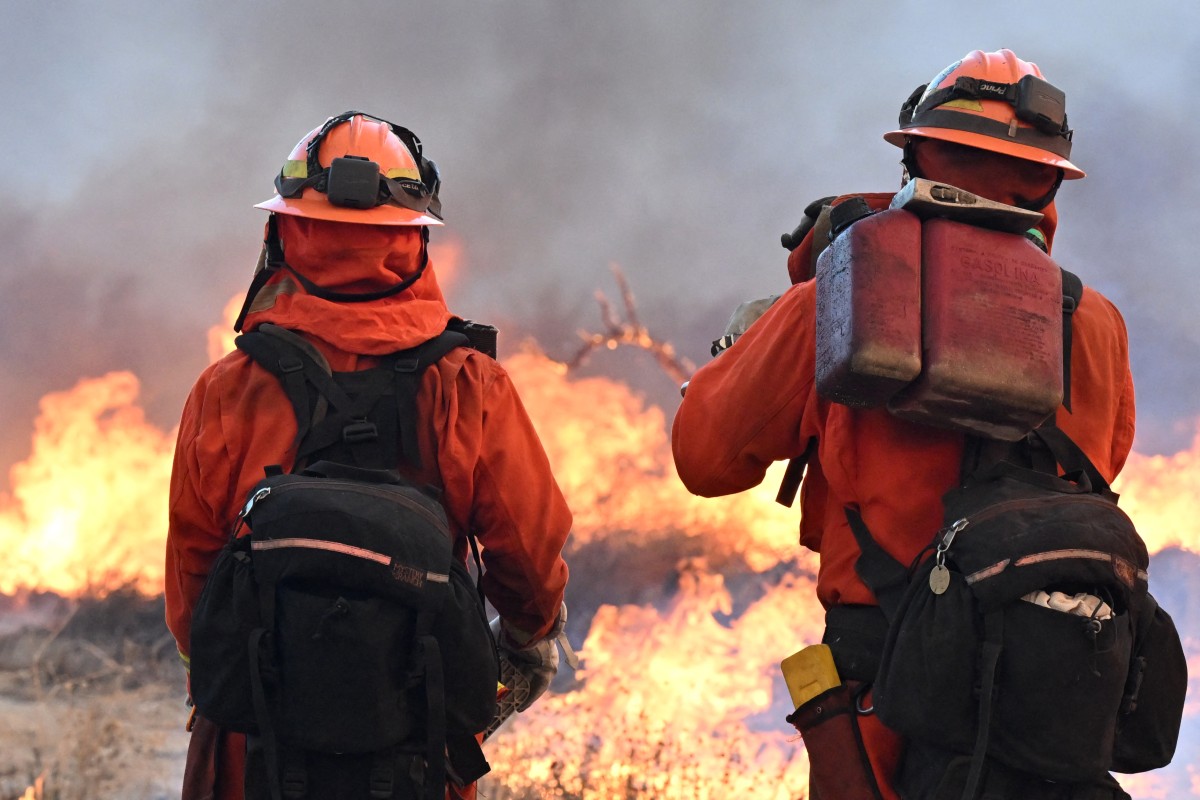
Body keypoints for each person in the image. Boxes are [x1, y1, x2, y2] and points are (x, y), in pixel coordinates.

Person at [672, 50, 1136, 798]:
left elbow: (705, 460)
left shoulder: (839, 299)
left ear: (915, 152)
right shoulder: (1097, 324)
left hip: (885, 696)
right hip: (1052, 694)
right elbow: (1102, 464)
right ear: (1048, 179)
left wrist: (742, 353)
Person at [165, 111, 572, 799]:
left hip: (255, 743)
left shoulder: (227, 390)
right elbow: (528, 556)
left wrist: (215, 681)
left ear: (285, 231)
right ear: (413, 239)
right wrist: (530, 639)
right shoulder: (469, 385)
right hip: (414, 740)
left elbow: (192, 580)